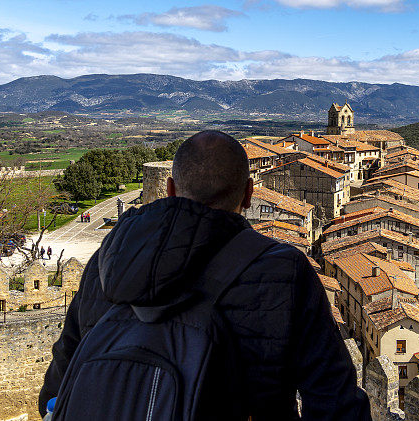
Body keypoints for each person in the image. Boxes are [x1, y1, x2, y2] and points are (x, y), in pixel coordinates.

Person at [39, 131, 370, 420]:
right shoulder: (283, 270)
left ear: (169, 189)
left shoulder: (107, 262)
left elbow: (54, 393)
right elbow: (334, 403)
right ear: (248, 195)